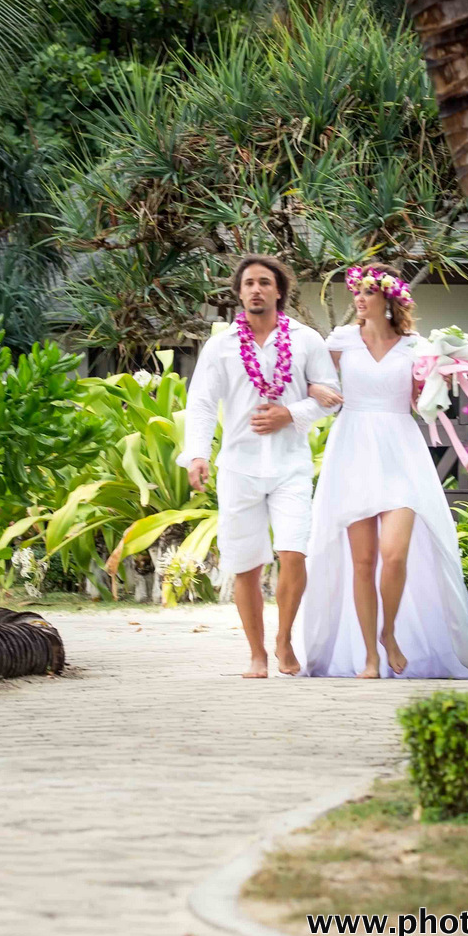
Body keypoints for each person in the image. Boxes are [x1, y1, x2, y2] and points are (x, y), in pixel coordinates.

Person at [298, 264, 468, 680]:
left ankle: (389, 633)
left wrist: (435, 386)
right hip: (353, 449)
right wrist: (315, 389)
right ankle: (370, 655)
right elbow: (308, 378)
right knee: (363, 561)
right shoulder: (341, 341)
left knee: (394, 554)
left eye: (369, 291)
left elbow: (423, 402)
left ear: (389, 298)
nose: (359, 299)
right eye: (357, 291)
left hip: (400, 450)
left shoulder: (416, 347)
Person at [180, 255, 339, 677]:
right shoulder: (221, 346)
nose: (256, 289)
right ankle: (256, 654)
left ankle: (284, 639)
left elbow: (331, 395)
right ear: (238, 292)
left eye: (264, 282)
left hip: (291, 465)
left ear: (278, 290)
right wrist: (197, 453)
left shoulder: (306, 339)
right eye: (248, 282)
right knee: (246, 564)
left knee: (294, 553)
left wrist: (291, 414)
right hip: (239, 467)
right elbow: (201, 402)